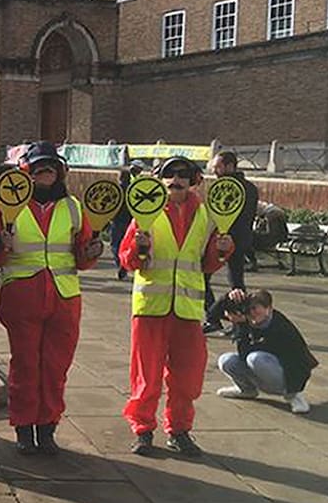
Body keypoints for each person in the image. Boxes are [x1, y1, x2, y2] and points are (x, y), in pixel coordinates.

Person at [0, 142, 101, 455]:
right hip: (21, 298)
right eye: (37, 167)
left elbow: (82, 256)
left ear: (60, 170)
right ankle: (24, 429)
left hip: (64, 300)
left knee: (55, 367)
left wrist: (91, 254)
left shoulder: (74, 207)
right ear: (26, 171)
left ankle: (47, 428)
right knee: (25, 366)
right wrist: (1, 246)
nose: (44, 171)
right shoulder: (6, 206)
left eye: (49, 166)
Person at [118, 157, 233, 457]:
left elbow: (208, 263)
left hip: (188, 309)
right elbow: (127, 260)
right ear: (160, 178)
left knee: (188, 377)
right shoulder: (146, 211)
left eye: (183, 174)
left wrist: (222, 252)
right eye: (169, 173)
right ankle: (143, 430)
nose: (176, 179)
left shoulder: (207, 217)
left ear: (194, 179)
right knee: (147, 375)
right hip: (150, 308)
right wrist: (137, 249)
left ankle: (179, 430)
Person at [216, 289, 317, 414]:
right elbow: (214, 313)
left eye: (255, 308)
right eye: (248, 309)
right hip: (264, 370)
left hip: (290, 374)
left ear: (268, 308)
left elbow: (299, 362)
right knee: (226, 360)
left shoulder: (279, 325)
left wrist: (295, 388)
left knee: (256, 358)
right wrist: (228, 297)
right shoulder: (246, 322)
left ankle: (293, 396)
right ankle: (246, 390)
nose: (252, 313)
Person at [203, 151, 258, 334]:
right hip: (241, 239)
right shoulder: (250, 188)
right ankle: (236, 322)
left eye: (218, 166)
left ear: (229, 166)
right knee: (236, 282)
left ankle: (215, 317)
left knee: (205, 277)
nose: (214, 171)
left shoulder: (227, 188)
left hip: (226, 239)